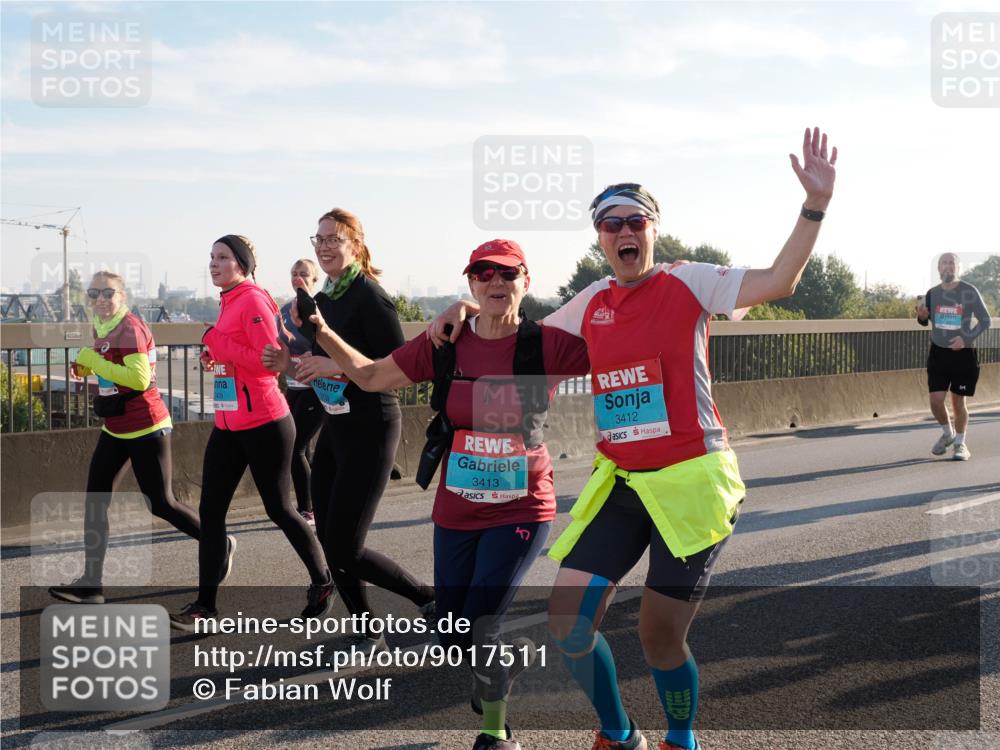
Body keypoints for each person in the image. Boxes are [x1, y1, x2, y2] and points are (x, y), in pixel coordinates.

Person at [434, 128, 838, 750]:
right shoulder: (592, 301)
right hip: (624, 484)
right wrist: (462, 311)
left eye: (635, 222)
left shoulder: (690, 282)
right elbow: (517, 336)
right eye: (610, 225)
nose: (624, 233)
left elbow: (779, 280)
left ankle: (681, 737)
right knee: (569, 623)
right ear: (599, 238)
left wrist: (814, 205)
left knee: (658, 635)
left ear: (653, 229)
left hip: (692, 484)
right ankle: (618, 734)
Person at [270, 238, 590, 750]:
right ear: (470, 284)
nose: (495, 284)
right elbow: (373, 375)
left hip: (522, 508)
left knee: (483, 622)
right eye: (483, 275)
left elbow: (622, 346)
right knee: (450, 629)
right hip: (458, 508)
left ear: (526, 282)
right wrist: (323, 333)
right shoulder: (446, 342)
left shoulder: (546, 343)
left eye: (508, 275)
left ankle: (495, 731)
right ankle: (501, 670)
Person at [262, 208, 433, 650]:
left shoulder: (370, 296)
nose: (322, 247)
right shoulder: (328, 299)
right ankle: (365, 623)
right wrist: (291, 365)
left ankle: (428, 599)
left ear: (354, 244)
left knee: (347, 548)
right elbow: (324, 366)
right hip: (337, 427)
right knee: (328, 536)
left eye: (332, 239)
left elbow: (401, 366)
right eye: (317, 239)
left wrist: (332, 364)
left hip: (372, 427)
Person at [169, 235, 331, 631]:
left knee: (279, 510)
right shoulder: (228, 301)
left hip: (265, 423)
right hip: (228, 424)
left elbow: (269, 363)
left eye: (223, 257)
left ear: (242, 264)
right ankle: (205, 607)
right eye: (211, 257)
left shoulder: (254, 299)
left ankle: (323, 581)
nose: (213, 264)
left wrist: (213, 340)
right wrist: (215, 356)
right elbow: (234, 353)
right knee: (210, 514)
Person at [49, 271, 230, 604]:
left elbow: (138, 378)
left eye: (108, 293)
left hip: (147, 426)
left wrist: (92, 360)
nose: (100, 299)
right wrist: (89, 367)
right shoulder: (102, 328)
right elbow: (110, 367)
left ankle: (218, 542)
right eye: (94, 293)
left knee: (160, 503)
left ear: (123, 297)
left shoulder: (129, 328)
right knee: (95, 501)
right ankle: (91, 585)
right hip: (115, 426)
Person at [916, 252, 992, 461]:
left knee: (958, 403)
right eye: (944, 263)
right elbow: (925, 320)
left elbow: (986, 321)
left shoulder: (969, 291)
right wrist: (921, 317)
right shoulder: (932, 293)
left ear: (958, 268)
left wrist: (965, 339)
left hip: (963, 355)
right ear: (939, 269)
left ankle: (960, 444)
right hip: (938, 355)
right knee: (935, 400)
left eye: (952, 263)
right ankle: (947, 433)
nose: (948, 267)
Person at [277, 258, 324, 525]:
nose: (298, 277)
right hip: (292, 385)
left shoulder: (320, 308)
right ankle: (318, 501)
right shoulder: (284, 310)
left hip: (317, 387)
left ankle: (309, 509)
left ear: (315, 279)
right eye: (294, 272)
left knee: (295, 447)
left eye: (304, 273)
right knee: (302, 450)